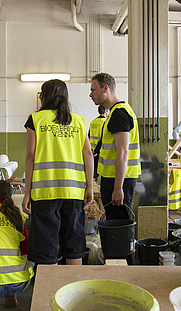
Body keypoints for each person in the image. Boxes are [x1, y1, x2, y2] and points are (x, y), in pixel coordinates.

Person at [22, 79, 94, 265]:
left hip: (45, 192)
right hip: (73, 192)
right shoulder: (78, 121)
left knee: (46, 246)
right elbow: (88, 154)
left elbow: (30, 157)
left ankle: (49, 292)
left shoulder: (36, 120)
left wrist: (27, 192)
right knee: (73, 245)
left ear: (44, 96)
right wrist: (90, 188)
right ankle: (72, 291)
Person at [89, 72, 141, 265]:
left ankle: (125, 269)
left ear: (106, 88)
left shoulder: (119, 113)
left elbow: (123, 152)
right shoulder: (116, 112)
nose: (91, 94)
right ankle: (120, 265)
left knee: (119, 229)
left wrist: (118, 187)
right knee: (117, 227)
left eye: (93, 90)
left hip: (119, 180)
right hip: (114, 178)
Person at [89, 105, 108, 179]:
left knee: (92, 171)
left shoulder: (93, 122)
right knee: (98, 172)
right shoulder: (105, 122)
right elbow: (103, 138)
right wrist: (96, 150)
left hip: (91, 150)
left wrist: (91, 150)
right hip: (99, 150)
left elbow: (88, 136)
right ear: (106, 111)